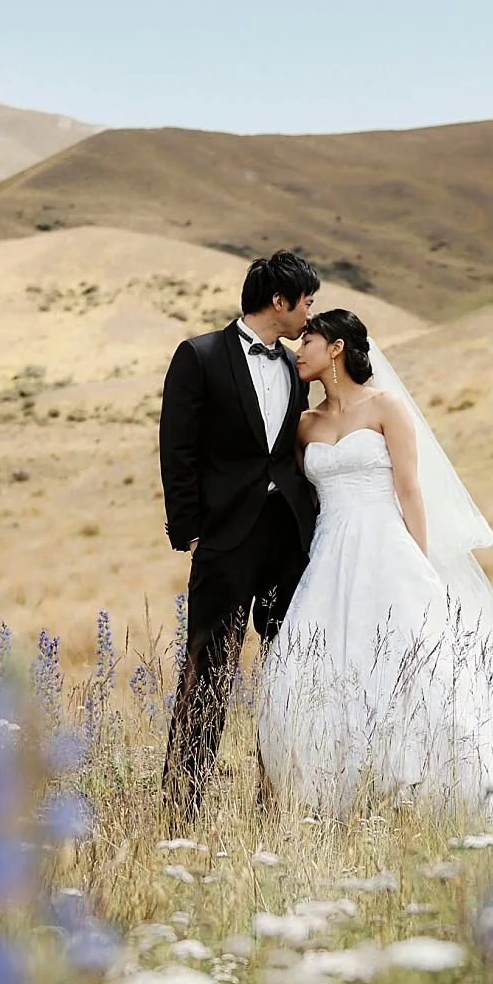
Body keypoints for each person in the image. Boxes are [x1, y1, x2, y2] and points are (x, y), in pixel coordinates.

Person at [256, 309, 493, 819]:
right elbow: (302, 498)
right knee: (313, 667)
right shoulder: (306, 425)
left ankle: (427, 784)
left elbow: (409, 489)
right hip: (330, 559)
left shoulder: (386, 407)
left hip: (389, 551)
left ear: (335, 347)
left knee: (418, 668)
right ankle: (336, 791)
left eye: (308, 339)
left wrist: (419, 565)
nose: (299, 349)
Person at [156, 250, 321, 823]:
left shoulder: (298, 365)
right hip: (225, 542)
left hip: (289, 546)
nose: (310, 312)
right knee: (207, 677)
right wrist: (191, 533)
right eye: (306, 301)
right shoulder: (198, 356)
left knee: (290, 675)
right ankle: (182, 811)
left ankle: (276, 803)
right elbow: (176, 450)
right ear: (280, 301)